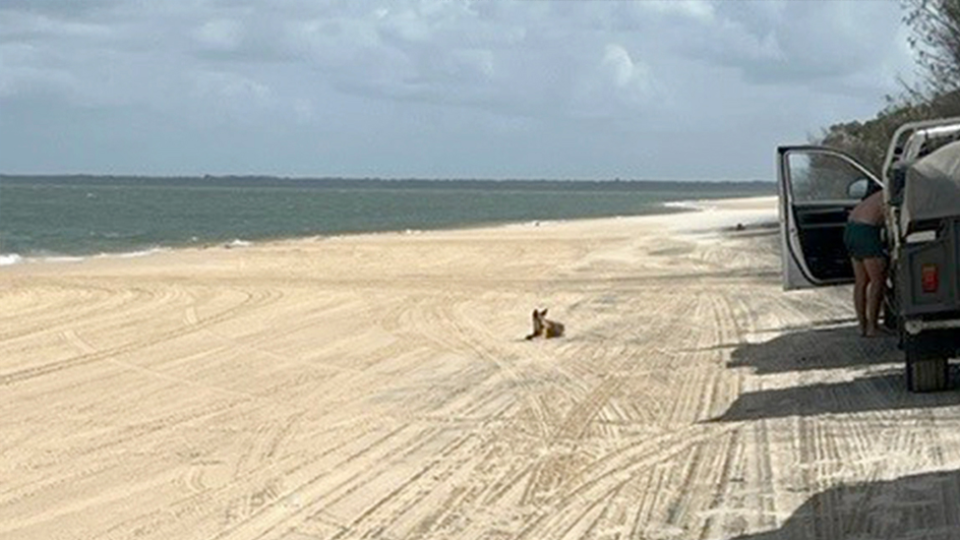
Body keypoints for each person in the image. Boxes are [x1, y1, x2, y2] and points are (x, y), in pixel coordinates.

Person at [843, 183, 888, 337]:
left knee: (861, 282)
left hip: (850, 230)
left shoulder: (870, 199)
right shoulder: (888, 194)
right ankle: (872, 327)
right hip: (866, 232)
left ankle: (862, 325)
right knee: (878, 281)